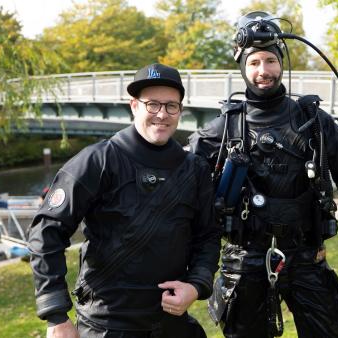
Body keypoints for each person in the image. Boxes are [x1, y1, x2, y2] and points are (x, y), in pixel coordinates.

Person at [189, 11, 338, 338]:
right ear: (241, 67)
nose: (263, 71)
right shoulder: (223, 130)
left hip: (307, 255)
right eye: (254, 63)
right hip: (244, 259)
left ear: (281, 62)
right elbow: (181, 191)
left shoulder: (314, 122)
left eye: (270, 60)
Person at [28, 63, 221, 338]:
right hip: (106, 325)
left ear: (180, 110)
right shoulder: (97, 161)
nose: (162, 115)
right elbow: (46, 231)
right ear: (134, 106)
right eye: (152, 104)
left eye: (171, 106)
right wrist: (55, 315)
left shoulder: (195, 169)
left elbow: (208, 237)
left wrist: (197, 285)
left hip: (171, 324)